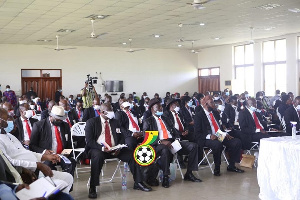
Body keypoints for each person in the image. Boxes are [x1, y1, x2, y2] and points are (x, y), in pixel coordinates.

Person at [85, 103, 152, 198]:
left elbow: (121, 137)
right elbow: (89, 141)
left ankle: (138, 182)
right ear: (103, 112)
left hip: (115, 148)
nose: (113, 113)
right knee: (97, 157)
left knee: (132, 155)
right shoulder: (92, 122)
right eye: (110, 111)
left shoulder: (115, 122)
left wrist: (119, 147)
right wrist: (102, 148)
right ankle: (93, 187)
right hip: (99, 149)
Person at [0, 108, 73, 193]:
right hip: (28, 172)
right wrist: (38, 163)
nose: (11, 119)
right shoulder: (40, 125)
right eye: (7, 117)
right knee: (61, 183)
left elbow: (26, 152)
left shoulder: (9, 135)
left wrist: (47, 157)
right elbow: (10, 162)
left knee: (68, 176)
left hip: (42, 165)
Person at [143, 98, 201, 188]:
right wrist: (161, 141)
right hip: (158, 144)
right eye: (157, 107)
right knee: (165, 149)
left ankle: (189, 173)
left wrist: (179, 136)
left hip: (172, 142)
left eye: (161, 107)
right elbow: (148, 138)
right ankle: (166, 176)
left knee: (193, 146)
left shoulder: (166, 119)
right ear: (151, 109)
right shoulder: (148, 121)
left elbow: (174, 131)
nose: (160, 109)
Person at [194, 95, 244, 176]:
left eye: (213, 102)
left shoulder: (215, 113)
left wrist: (225, 134)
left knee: (236, 142)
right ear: (206, 104)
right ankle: (217, 167)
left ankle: (231, 165)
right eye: (211, 102)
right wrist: (210, 136)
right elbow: (197, 133)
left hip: (219, 135)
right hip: (206, 138)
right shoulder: (199, 116)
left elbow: (219, 127)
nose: (214, 104)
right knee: (217, 144)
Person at [29, 106, 76, 179]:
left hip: (61, 155)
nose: (60, 122)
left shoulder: (65, 126)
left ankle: (67, 188)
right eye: (57, 120)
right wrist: (44, 152)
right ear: (51, 116)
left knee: (71, 163)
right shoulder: (39, 126)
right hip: (47, 156)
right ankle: (54, 188)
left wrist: (64, 155)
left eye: (61, 120)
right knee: (49, 166)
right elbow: (32, 146)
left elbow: (69, 145)